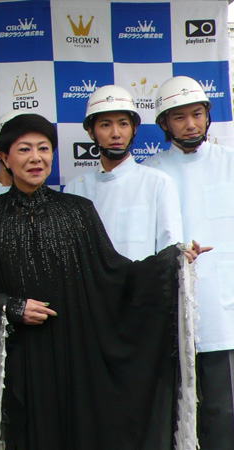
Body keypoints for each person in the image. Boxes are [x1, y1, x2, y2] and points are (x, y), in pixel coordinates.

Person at [0, 113, 208, 450]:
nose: (35, 158)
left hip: (74, 355)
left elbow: (115, 276)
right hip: (17, 358)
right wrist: (11, 307)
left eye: (44, 148)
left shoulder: (78, 211)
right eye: (24, 150)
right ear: (4, 157)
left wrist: (172, 261)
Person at [143, 75, 234, 450]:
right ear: (164, 124)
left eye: (197, 114)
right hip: (170, 314)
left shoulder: (230, 163)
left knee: (223, 414)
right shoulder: (150, 173)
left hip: (224, 313)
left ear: (208, 116)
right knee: (177, 417)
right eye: (179, 117)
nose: (191, 124)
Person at [64, 85, 183, 260]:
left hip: (144, 279)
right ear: (91, 132)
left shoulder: (158, 183)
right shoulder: (75, 189)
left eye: (123, 124)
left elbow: (170, 253)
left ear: (134, 129)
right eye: (105, 125)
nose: (116, 133)